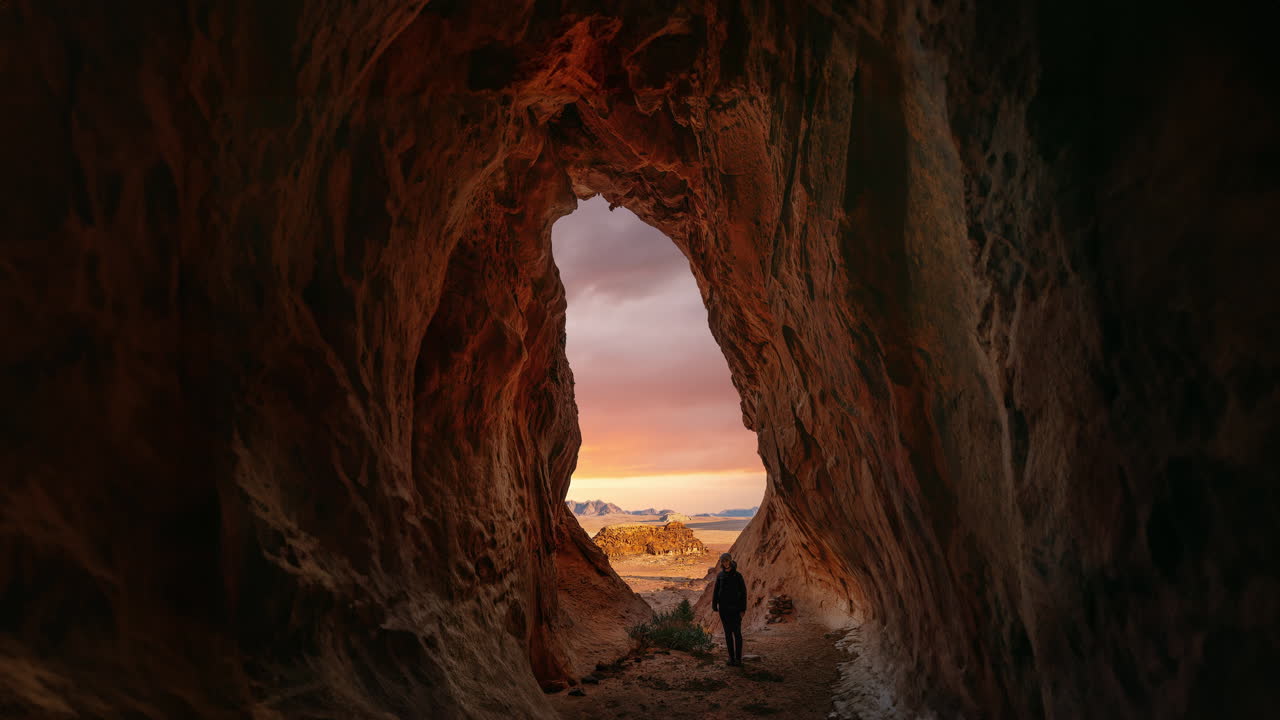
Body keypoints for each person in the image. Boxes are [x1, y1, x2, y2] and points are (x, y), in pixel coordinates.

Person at [710, 551, 747, 666]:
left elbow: (743, 593)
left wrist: (743, 609)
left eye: (726, 560)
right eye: (723, 561)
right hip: (724, 609)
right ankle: (731, 658)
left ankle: (738, 659)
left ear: (730, 561)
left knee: (737, 633)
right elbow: (716, 591)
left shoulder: (738, 575)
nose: (725, 563)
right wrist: (714, 604)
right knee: (727, 633)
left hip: (735, 608)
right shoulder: (720, 575)